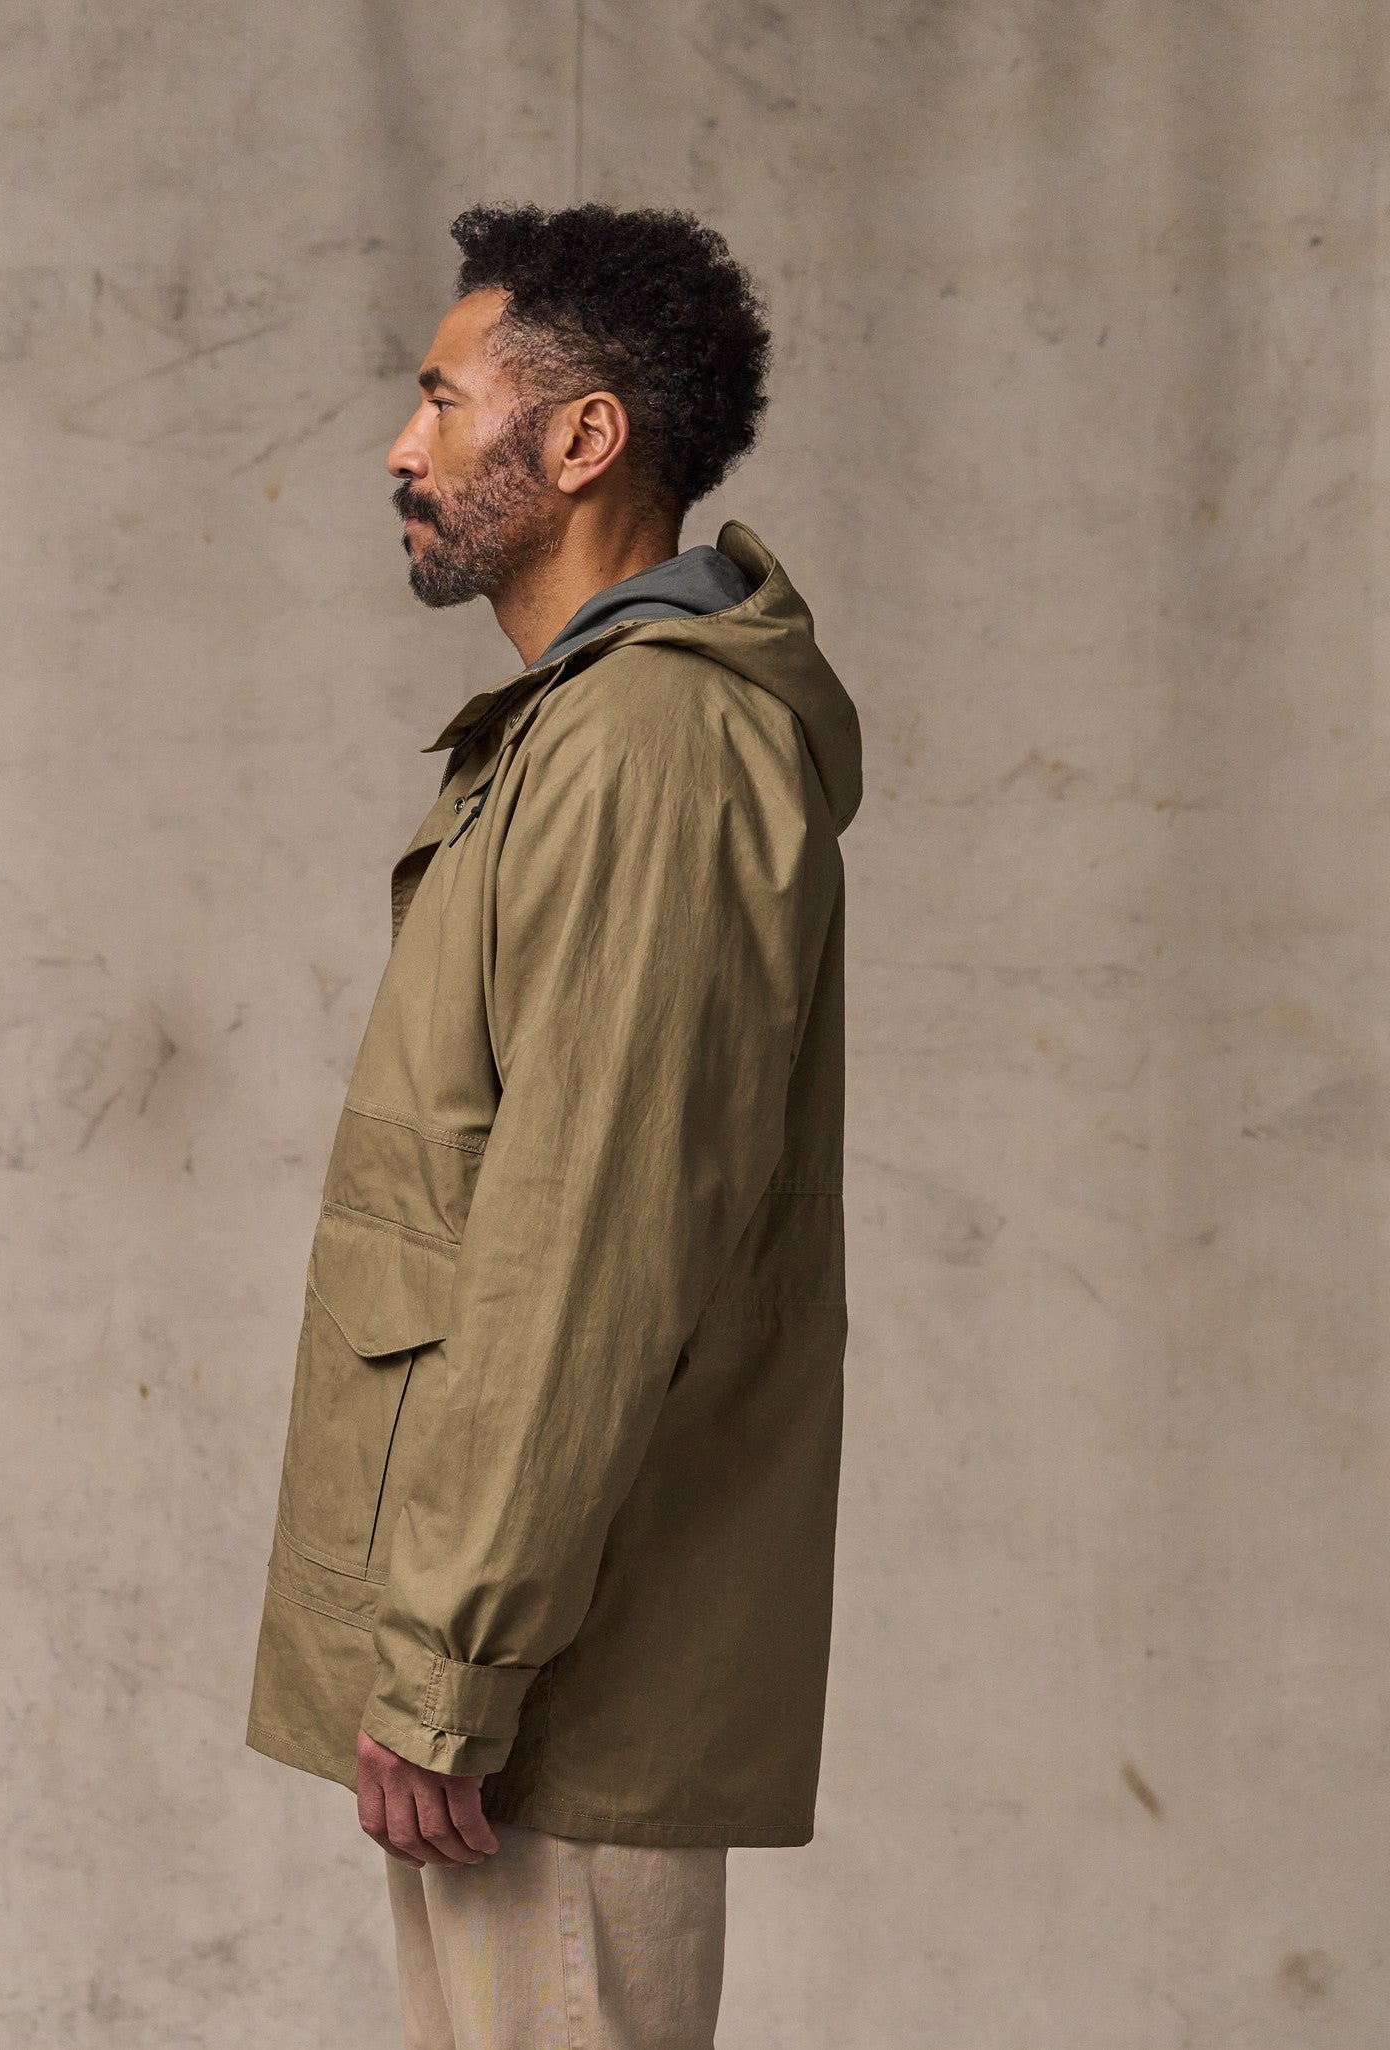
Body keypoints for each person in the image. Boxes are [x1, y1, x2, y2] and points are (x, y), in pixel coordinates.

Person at [246, 202, 863, 2050]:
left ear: (585, 437)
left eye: (445, 399)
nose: (403, 444)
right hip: (527, 1682)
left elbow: (589, 1240)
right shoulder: (584, 733)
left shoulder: (654, 750)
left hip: (558, 1698)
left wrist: (454, 1659)